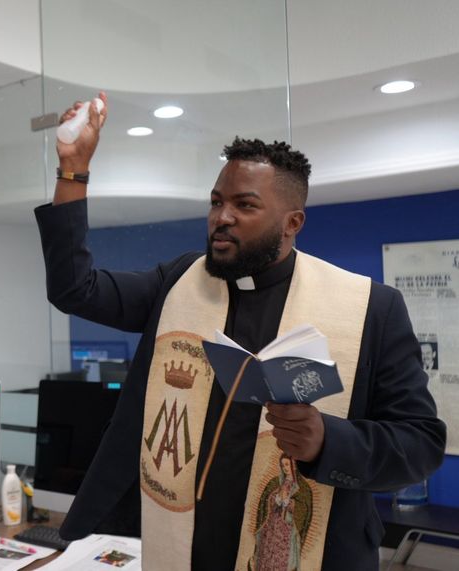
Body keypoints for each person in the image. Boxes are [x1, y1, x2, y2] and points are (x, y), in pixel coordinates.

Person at [35, 93, 446, 570]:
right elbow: (75, 289)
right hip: (180, 545)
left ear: (292, 223)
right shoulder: (178, 282)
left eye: (244, 205)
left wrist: (325, 440)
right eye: (216, 201)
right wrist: (74, 170)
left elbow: (420, 443)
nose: (221, 217)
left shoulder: (371, 308)